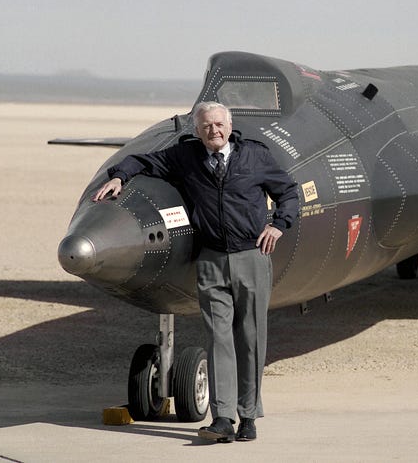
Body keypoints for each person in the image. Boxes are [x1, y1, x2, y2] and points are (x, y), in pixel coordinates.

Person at [93, 101, 299, 443]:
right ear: (197, 129)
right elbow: (144, 160)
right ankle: (222, 417)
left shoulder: (255, 157)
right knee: (218, 339)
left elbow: (288, 192)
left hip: (252, 256)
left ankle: (248, 416)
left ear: (230, 125)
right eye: (206, 126)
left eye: (219, 124)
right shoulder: (185, 157)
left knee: (250, 339)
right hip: (212, 260)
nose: (213, 131)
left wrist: (279, 224)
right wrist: (119, 176)